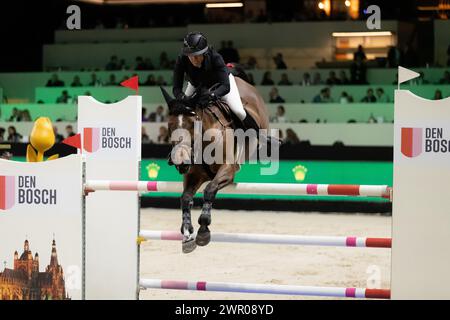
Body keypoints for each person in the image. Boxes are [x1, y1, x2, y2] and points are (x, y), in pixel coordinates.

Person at [172, 31, 260, 132]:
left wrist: (211, 96)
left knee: (239, 111)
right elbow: (176, 88)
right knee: (181, 113)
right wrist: (182, 98)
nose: (193, 59)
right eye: (190, 55)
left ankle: (261, 137)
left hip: (220, 84)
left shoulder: (215, 57)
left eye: (197, 55)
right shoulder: (181, 59)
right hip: (196, 84)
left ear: (204, 53)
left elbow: (225, 86)